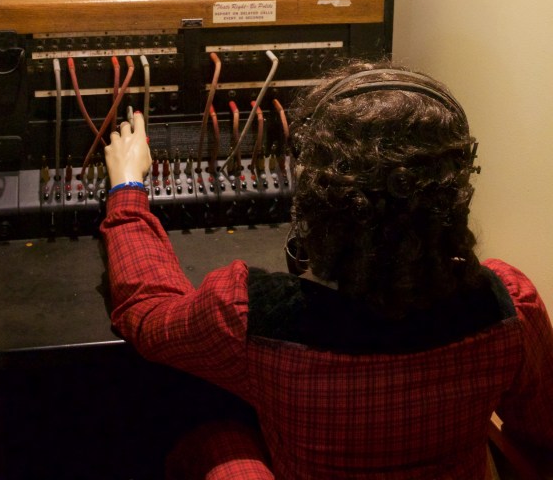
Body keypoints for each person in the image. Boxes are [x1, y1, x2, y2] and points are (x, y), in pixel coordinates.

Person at [101, 60, 553, 480]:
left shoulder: (249, 316)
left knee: (214, 437)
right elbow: (543, 428)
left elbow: (148, 312)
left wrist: (127, 188)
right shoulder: (512, 307)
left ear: (316, 194)